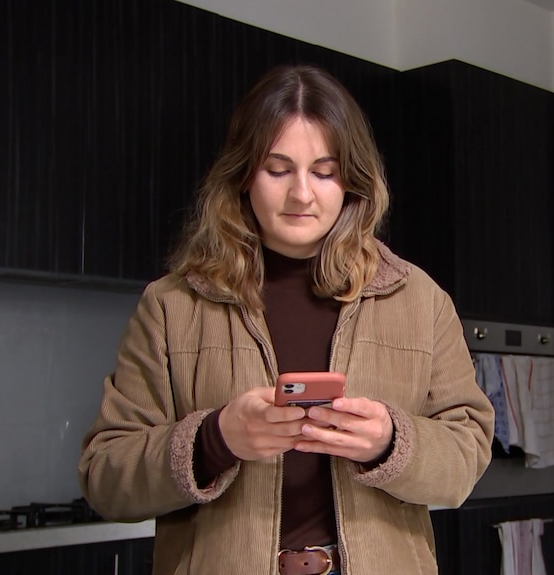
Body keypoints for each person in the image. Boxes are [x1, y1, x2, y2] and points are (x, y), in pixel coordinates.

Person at [78, 64, 494, 575]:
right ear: (242, 174)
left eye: (324, 171)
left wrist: (391, 441)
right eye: (278, 170)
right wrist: (216, 438)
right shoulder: (172, 305)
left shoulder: (419, 299)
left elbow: (466, 456)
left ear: (352, 180)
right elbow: (105, 478)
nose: (302, 194)